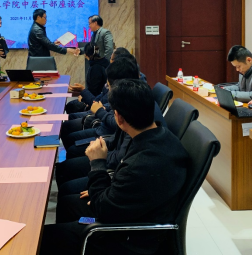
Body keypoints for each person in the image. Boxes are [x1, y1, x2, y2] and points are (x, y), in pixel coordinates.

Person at [40, 79, 190, 255]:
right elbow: (126, 185)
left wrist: (97, 164)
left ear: (118, 117)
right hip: (132, 210)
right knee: (67, 204)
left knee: (45, 238)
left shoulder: (140, 163)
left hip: (126, 235)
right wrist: (105, 190)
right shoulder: (160, 135)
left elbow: (103, 210)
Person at [60, 57, 140, 149]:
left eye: (109, 86)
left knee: (72, 146)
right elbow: (101, 102)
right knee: (68, 128)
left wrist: (100, 110)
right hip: (102, 126)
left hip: (106, 135)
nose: (108, 87)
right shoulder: (125, 91)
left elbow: (116, 124)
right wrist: (103, 108)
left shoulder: (129, 97)